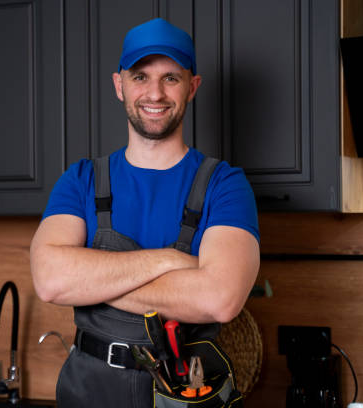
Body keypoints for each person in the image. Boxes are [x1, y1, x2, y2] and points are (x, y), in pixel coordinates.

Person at [30, 18, 260, 408]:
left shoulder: (225, 184)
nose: (155, 92)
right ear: (119, 85)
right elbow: (51, 280)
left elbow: (220, 298)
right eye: (140, 77)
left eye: (171, 77)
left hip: (184, 395)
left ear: (193, 86)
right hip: (87, 391)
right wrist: (171, 262)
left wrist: (94, 282)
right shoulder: (82, 179)